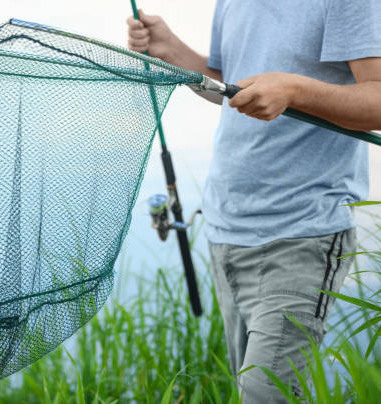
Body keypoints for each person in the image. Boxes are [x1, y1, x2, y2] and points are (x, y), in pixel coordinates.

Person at [127, 2, 381, 403]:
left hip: (302, 235)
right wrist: (172, 51)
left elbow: (377, 98)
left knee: (265, 395)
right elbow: (236, 87)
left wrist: (294, 89)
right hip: (226, 230)